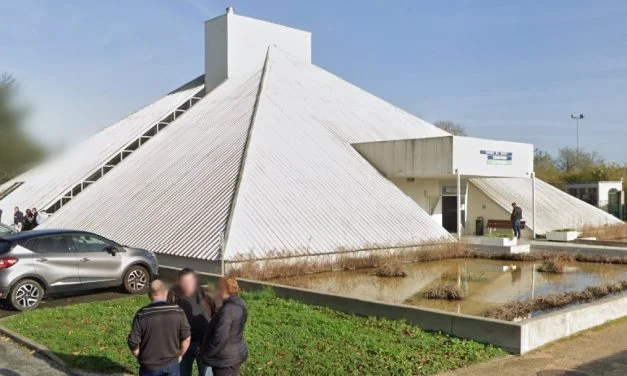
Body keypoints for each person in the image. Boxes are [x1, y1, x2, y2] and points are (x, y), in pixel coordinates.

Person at [128, 280, 191, 376]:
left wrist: (139, 355)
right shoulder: (178, 311)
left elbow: (133, 341)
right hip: (172, 364)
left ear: (149, 295)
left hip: (149, 367)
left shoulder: (142, 314)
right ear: (166, 292)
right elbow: (186, 338)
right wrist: (180, 355)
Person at [168, 269, 219, 376]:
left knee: (206, 373)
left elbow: (218, 314)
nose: (187, 285)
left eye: (190, 282)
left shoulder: (205, 293)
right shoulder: (173, 295)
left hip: (204, 344)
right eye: (184, 282)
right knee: (183, 373)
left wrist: (211, 336)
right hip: (183, 344)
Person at [199, 277, 248, 376]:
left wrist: (206, 354)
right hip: (235, 354)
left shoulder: (227, 311)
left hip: (224, 360)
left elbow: (220, 338)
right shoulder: (240, 303)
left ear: (223, 289)